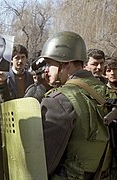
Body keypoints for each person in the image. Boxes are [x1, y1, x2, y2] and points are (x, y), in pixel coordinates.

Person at [39, 31, 116, 179]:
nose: (46, 70)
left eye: (49, 64)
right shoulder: (107, 92)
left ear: (65, 63)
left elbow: (44, 163)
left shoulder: (58, 100)